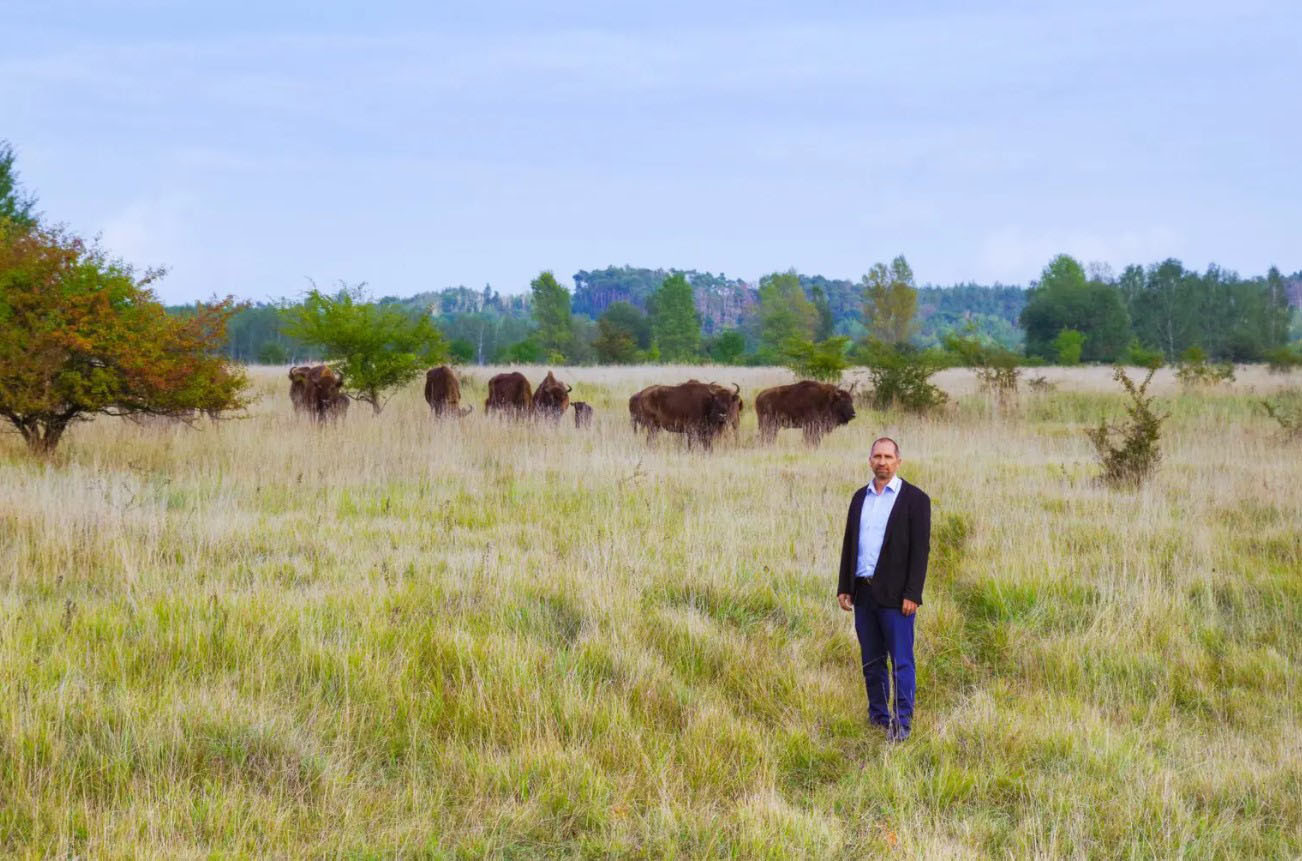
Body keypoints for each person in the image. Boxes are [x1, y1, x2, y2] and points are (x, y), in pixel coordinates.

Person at [836, 437, 931, 742]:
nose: (882, 462)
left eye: (888, 456)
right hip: (863, 594)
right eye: (877, 456)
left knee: (901, 661)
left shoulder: (915, 499)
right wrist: (844, 586)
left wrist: (913, 593)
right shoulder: (859, 498)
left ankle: (902, 723)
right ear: (869, 460)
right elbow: (850, 543)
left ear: (898, 462)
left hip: (897, 598)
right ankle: (878, 717)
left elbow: (920, 551)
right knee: (872, 660)